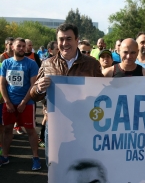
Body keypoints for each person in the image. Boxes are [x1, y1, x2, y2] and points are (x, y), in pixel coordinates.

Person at [29, 23, 103, 166]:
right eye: (61, 39)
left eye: (68, 39)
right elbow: (34, 95)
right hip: (56, 125)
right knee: (56, 166)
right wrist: (39, 89)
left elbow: (103, 91)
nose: (64, 43)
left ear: (77, 40)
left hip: (84, 124)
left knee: (83, 165)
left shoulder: (92, 64)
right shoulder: (47, 64)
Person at [0, 38, 40, 170]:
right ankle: (5, 156)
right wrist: (7, 102)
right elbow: (2, 84)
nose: (22, 48)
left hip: (27, 103)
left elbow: (33, 85)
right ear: (12, 47)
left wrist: (23, 102)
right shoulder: (6, 63)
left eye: (24, 46)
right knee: (7, 129)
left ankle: (35, 157)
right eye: (19, 46)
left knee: (30, 131)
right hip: (10, 103)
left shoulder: (31, 64)